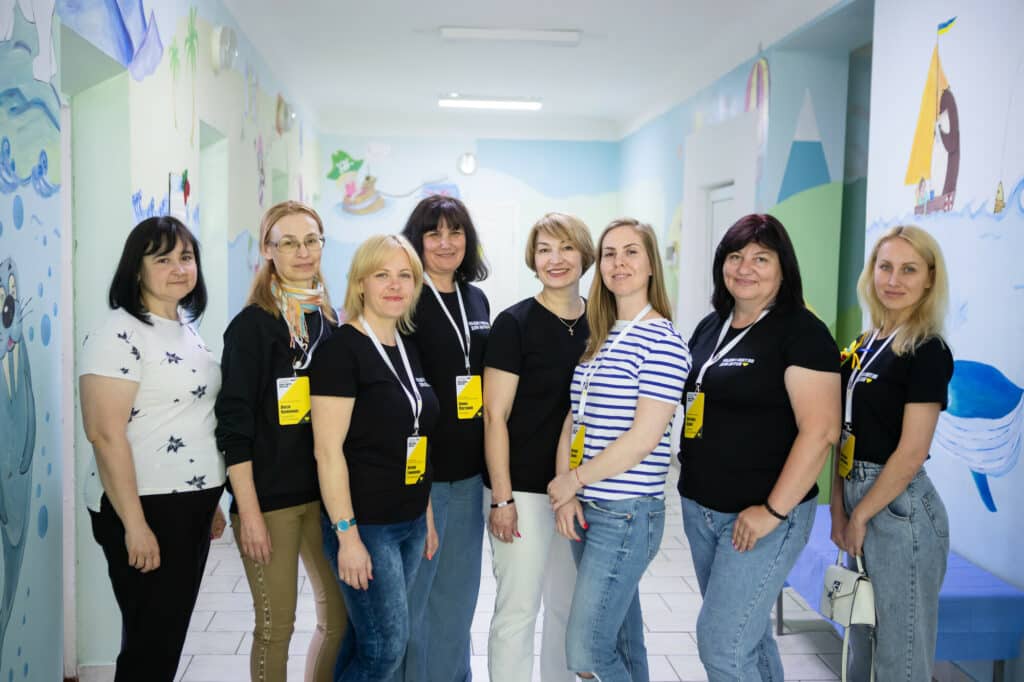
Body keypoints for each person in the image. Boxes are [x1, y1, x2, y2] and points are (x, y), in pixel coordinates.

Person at [677, 214, 841, 680]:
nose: (745, 267)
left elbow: (821, 431)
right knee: (749, 638)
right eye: (735, 256)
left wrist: (771, 511)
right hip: (702, 509)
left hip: (762, 515)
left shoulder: (802, 333)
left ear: (783, 268)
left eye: (761, 258)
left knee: (722, 644)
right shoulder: (712, 326)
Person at [80, 216, 226, 682]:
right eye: (162, 259)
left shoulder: (184, 327)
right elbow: (104, 434)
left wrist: (213, 500)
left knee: (163, 639)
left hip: (189, 506)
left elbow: (190, 415)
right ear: (135, 269)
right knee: (150, 644)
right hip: (143, 506)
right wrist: (135, 524)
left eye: (186, 257)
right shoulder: (118, 333)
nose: (179, 268)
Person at [549, 218, 691, 681]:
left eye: (631, 252)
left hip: (627, 515)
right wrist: (569, 493)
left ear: (652, 264)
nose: (619, 263)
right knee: (623, 644)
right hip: (590, 505)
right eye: (609, 253)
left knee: (587, 651)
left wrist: (573, 480)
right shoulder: (602, 335)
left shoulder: (664, 341)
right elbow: (576, 417)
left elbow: (644, 439)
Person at [215, 201, 346, 682]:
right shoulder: (251, 327)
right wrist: (247, 511)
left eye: (311, 240)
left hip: (324, 497)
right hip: (268, 501)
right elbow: (233, 425)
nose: (302, 252)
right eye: (288, 242)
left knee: (340, 619)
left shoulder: (329, 322)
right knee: (277, 627)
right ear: (269, 250)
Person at [310, 234, 440, 681]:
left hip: (407, 521)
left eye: (405, 275)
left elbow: (415, 434)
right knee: (386, 649)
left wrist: (425, 514)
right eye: (382, 275)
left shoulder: (407, 346)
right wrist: (347, 536)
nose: (394, 285)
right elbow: (327, 452)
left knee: (366, 641)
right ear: (361, 283)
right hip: (366, 526)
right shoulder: (340, 351)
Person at [830, 225, 952, 681]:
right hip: (859, 495)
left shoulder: (927, 350)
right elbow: (844, 433)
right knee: (861, 643)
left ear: (928, 278)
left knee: (899, 656)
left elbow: (913, 451)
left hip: (901, 510)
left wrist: (862, 515)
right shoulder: (865, 344)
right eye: (885, 266)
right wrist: (840, 509)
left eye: (908, 269)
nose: (893, 279)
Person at [482, 213, 595, 682]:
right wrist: (503, 498)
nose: (556, 259)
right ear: (532, 258)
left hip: (584, 488)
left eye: (566, 248)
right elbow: (494, 417)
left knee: (569, 611)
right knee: (517, 611)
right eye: (545, 249)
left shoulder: (603, 321)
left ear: (585, 255)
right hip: (525, 491)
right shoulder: (514, 324)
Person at [398, 196, 490, 682]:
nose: (446, 242)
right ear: (418, 240)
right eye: (433, 233)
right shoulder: (405, 298)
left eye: (455, 232)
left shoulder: (476, 298)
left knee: (458, 598)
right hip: (424, 477)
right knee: (416, 602)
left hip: (470, 476)